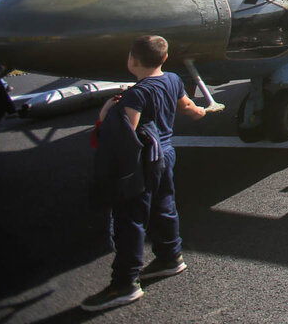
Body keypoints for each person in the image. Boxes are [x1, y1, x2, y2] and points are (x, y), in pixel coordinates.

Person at [81, 35, 208, 312]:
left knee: (130, 218)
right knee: (165, 205)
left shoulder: (135, 94)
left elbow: (125, 133)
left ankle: (125, 283)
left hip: (144, 160)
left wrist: (104, 114)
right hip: (166, 154)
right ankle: (170, 256)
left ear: (132, 60)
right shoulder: (173, 79)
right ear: (164, 58)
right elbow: (187, 107)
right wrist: (202, 111)